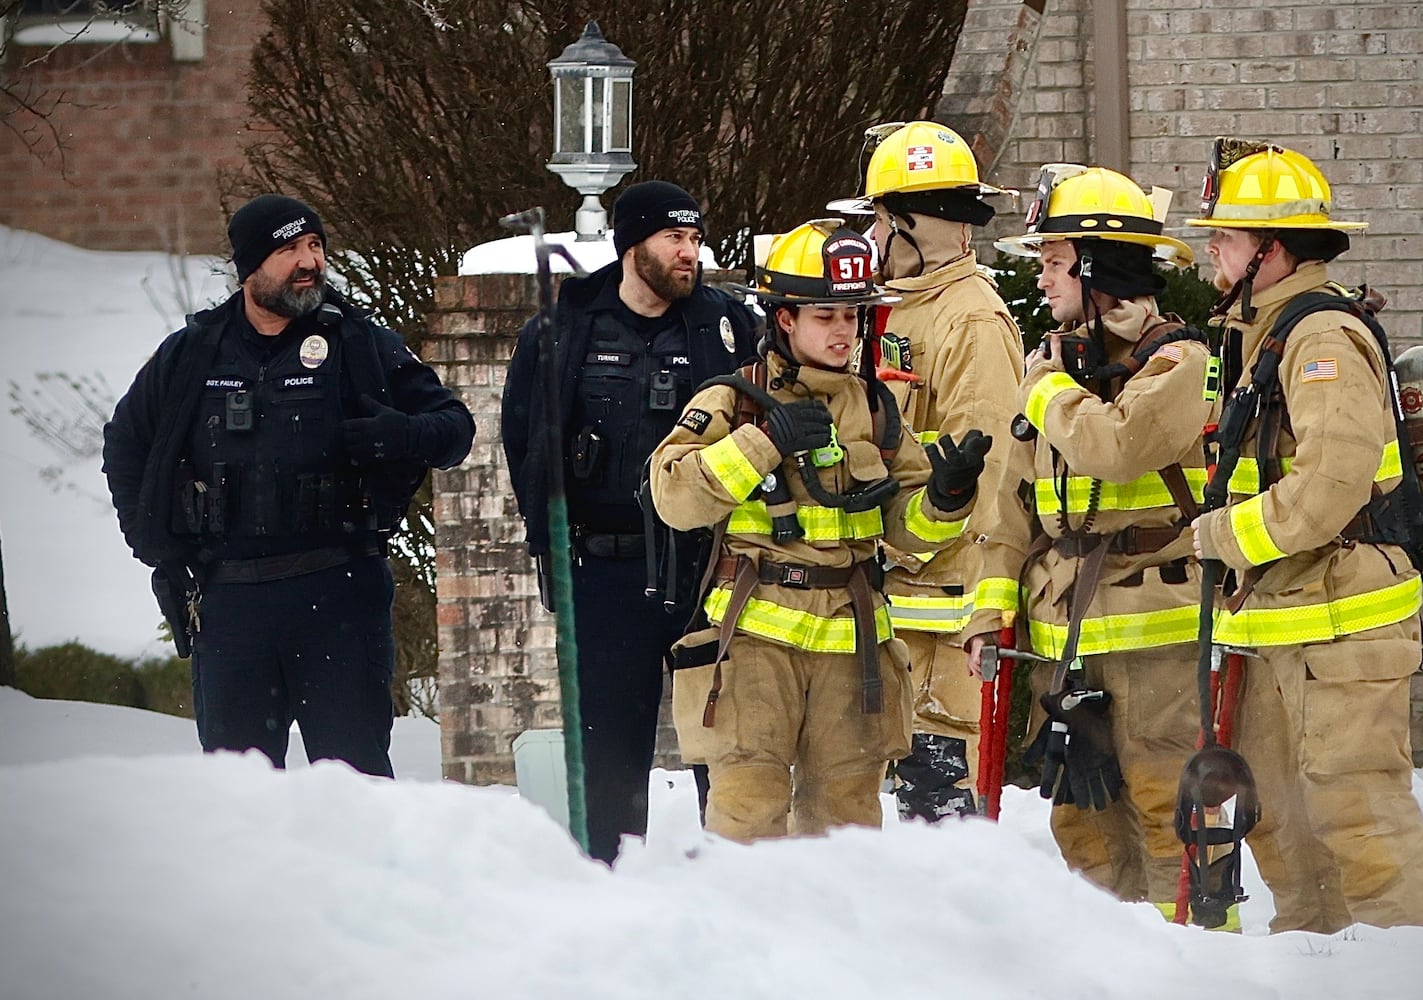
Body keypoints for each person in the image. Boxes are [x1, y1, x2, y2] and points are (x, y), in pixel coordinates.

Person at [103, 193, 475, 778]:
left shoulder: (358, 343)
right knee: (237, 792)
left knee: (358, 784)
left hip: (340, 595)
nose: (309, 262)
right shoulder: (193, 352)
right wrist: (151, 542)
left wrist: (395, 435)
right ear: (250, 266)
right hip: (230, 606)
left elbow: (454, 430)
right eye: (289, 249)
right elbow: (125, 444)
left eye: (315, 246)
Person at [648, 219, 991, 843]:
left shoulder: (879, 408)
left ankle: (836, 940)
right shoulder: (735, 401)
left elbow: (911, 530)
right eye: (826, 316)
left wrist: (946, 497)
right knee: (747, 813)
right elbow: (673, 495)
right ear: (785, 318)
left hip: (851, 643)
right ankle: (751, 939)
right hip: (754, 638)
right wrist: (762, 442)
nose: (843, 332)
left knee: (847, 821)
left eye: (853, 317)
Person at [1186, 139, 1423, 932]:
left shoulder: (1320, 340)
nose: (1213, 252)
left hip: (1344, 621)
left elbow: (1330, 487)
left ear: (1272, 251)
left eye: (1227, 239)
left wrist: (1225, 536)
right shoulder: (1261, 332)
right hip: (1285, 620)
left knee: (1360, 818)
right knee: (1285, 823)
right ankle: (1318, 970)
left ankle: (1418, 976)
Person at [968, 165, 1224, 921]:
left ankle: (1198, 964)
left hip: (1156, 627)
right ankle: (1112, 967)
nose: (1041, 281)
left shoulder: (1178, 361)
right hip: (1062, 633)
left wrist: (1045, 388)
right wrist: (986, 612)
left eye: (1051, 263)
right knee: (1078, 816)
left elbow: (1115, 449)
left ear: (1094, 266)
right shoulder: (1051, 363)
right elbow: (1009, 505)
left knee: (1164, 800)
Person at [501, 180, 756, 864]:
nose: (689, 253)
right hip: (604, 569)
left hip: (706, 565)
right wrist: (547, 545)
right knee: (609, 757)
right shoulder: (565, 329)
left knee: (723, 747)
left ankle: (734, 882)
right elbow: (525, 441)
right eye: (675, 237)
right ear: (631, 244)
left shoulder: (725, 326)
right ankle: (609, 890)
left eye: (696, 239)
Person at [827, 120, 1024, 820]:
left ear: (914, 226)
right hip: (884, 597)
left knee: (939, 804)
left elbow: (987, 472)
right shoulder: (887, 311)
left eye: (879, 220)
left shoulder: (969, 321)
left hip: (941, 613)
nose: (869, 238)